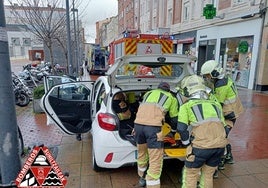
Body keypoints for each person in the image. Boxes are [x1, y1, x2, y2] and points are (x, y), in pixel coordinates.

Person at [177, 75, 228, 188]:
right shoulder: (216, 105)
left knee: (190, 174)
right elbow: (225, 128)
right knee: (208, 175)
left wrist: (186, 144)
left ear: (187, 91)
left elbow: (181, 128)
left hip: (200, 148)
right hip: (219, 147)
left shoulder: (186, 106)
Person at [200, 60, 244, 170]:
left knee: (220, 136)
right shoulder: (223, 78)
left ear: (214, 73)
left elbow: (217, 105)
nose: (207, 78)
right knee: (224, 135)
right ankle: (228, 156)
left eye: (207, 75)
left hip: (228, 114)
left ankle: (221, 160)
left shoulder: (221, 85)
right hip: (232, 112)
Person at [134, 82, 179, 188]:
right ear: (168, 90)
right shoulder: (171, 97)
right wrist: (173, 132)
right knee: (155, 159)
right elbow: (174, 118)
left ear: (158, 88)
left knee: (142, 153)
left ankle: (142, 178)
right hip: (153, 129)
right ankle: (152, 183)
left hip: (138, 126)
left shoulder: (148, 93)